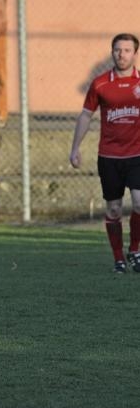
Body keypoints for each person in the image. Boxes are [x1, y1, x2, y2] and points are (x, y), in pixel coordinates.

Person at [70, 33, 140, 274]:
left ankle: (135, 249)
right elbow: (86, 115)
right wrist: (75, 148)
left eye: (127, 50)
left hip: (137, 155)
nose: (122, 54)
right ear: (112, 52)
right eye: (118, 50)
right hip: (109, 157)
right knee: (113, 210)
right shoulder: (100, 83)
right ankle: (119, 258)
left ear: (135, 54)